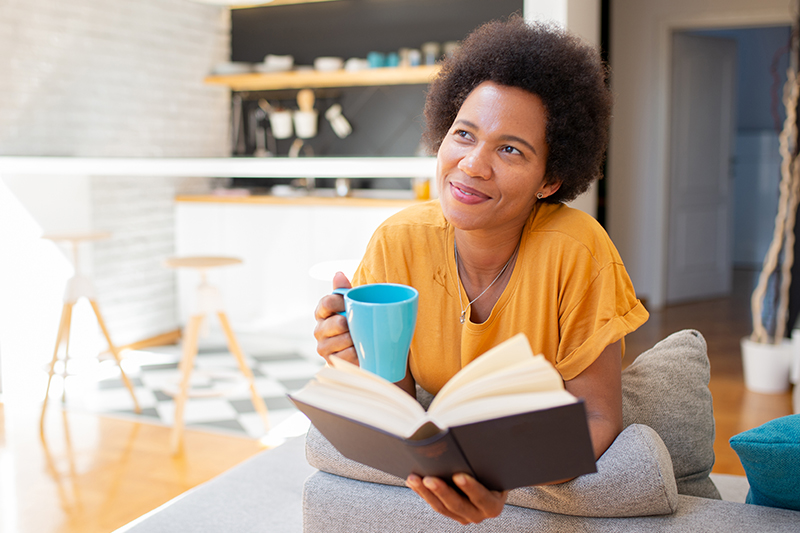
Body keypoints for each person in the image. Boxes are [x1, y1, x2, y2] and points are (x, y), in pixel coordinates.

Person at [313, 15, 649, 525]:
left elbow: (598, 415)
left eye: (510, 149)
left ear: (550, 179)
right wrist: (353, 354)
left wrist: (500, 478)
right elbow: (401, 402)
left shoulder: (578, 251)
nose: (472, 164)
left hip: (534, 441)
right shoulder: (399, 240)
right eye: (464, 134)